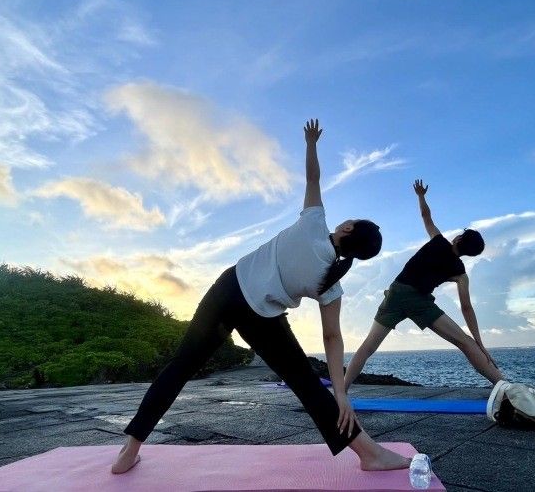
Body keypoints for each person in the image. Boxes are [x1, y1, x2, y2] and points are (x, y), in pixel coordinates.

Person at [112, 120, 411, 474]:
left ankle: (130, 448)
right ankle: (369, 454)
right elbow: (332, 338)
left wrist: (311, 143)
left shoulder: (314, 223)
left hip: (229, 290)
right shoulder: (331, 285)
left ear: (347, 227)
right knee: (306, 384)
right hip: (262, 317)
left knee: (181, 366)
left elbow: (313, 179)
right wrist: (341, 394)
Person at [344, 179, 503, 392]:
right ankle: (504, 386)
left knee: (367, 348)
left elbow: (426, 216)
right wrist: (479, 343)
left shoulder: (439, 241)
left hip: (396, 293)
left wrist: (421, 196)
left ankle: (341, 391)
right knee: (466, 342)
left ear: (458, 238)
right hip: (419, 301)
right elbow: (467, 308)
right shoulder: (460, 273)